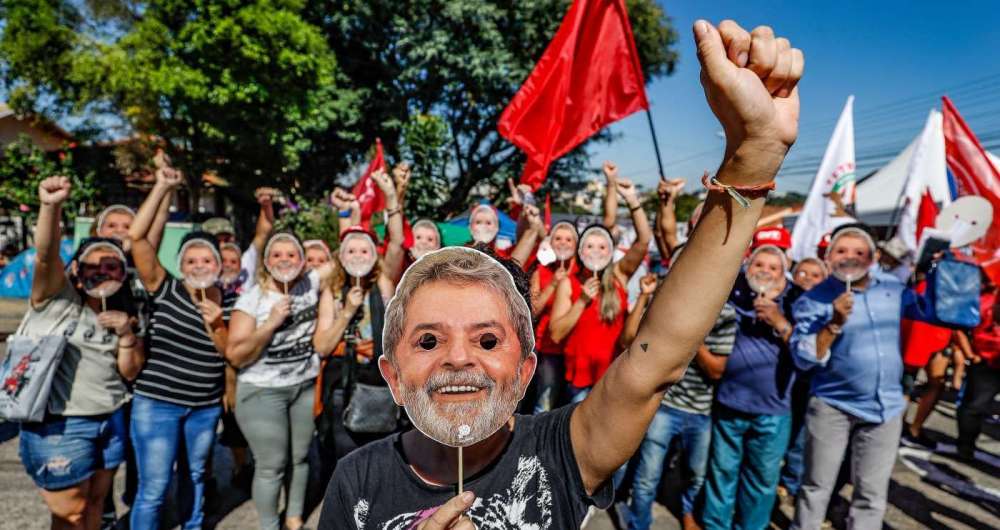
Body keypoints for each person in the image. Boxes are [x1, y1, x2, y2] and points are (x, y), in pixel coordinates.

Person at [318, 18, 804, 529]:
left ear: (527, 369)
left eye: (487, 341)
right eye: (428, 341)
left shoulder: (565, 452)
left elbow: (656, 359)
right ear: (392, 373)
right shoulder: (357, 479)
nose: (458, 358)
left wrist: (753, 158)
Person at [790, 225, 942, 530]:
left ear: (873, 257)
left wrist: (936, 269)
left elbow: (933, 311)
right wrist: (834, 323)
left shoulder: (892, 288)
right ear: (829, 257)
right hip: (833, 406)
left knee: (871, 494)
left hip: (886, 408)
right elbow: (804, 359)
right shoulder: (814, 299)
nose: (850, 257)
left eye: (859, 252)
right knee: (816, 487)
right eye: (842, 251)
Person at [19, 176, 145, 530]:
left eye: (112, 266)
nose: (102, 272)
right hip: (59, 426)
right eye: (93, 265)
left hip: (110, 419)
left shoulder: (122, 310)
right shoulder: (55, 300)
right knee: (70, 515)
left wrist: (125, 334)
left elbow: (130, 372)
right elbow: (45, 255)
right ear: (76, 269)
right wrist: (50, 204)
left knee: (93, 506)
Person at [125, 165, 229, 530]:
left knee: (196, 476)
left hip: (203, 407)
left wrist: (216, 322)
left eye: (206, 260)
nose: (199, 266)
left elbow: (230, 354)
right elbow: (137, 238)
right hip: (157, 404)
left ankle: (192, 525)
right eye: (191, 260)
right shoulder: (164, 287)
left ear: (218, 264)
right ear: (180, 265)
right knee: (153, 487)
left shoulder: (229, 301)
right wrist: (162, 187)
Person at [226, 230, 334, 530]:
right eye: (277, 255)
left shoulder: (309, 283)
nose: (284, 260)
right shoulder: (252, 299)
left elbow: (349, 254)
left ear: (302, 262)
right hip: (262, 391)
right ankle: (270, 525)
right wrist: (271, 323)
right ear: (265, 262)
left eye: (291, 255)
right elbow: (235, 354)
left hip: (301, 387)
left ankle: (294, 518)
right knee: (271, 466)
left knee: (299, 459)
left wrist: (347, 213)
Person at [627, 267, 738, 530]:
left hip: (700, 411)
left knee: (697, 476)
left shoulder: (726, 313)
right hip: (664, 404)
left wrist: (692, 333)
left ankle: (689, 516)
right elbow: (638, 343)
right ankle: (638, 525)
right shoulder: (668, 305)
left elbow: (715, 370)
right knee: (646, 477)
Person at [702, 245, 801, 530]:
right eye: (759, 265)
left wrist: (779, 321)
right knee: (721, 475)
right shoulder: (733, 291)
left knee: (761, 482)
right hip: (730, 403)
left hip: (773, 410)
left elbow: (808, 356)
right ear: (748, 267)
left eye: (773, 267)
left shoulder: (796, 300)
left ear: (784, 275)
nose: (765, 271)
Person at [313, 169, 406, 462]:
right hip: (342, 386)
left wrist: (391, 196)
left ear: (373, 256)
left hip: (377, 385)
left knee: (379, 460)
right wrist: (347, 312)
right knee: (344, 460)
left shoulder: (382, 284)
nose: (357, 256)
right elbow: (322, 346)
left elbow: (397, 243)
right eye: (350, 250)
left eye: (364, 250)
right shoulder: (334, 290)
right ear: (340, 257)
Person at [549, 171, 651, 403]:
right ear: (580, 251)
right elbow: (556, 334)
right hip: (579, 382)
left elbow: (644, 240)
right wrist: (582, 301)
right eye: (590, 246)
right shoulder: (569, 282)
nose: (596, 251)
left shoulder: (619, 275)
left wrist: (633, 200)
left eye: (602, 247)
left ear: (611, 252)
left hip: (615, 376)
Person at [777, 256, 829, 500]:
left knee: (800, 434)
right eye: (802, 273)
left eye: (815, 275)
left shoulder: (828, 306)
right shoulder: (783, 299)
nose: (807, 278)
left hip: (811, 381)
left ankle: (791, 480)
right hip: (783, 378)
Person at [528, 221, 579, 413]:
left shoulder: (585, 272)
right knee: (545, 404)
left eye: (568, 239)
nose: (563, 243)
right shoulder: (542, 271)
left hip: (576, 348)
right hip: (550, 348)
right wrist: (553, 285)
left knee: (572, 405)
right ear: (551, 242)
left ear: (576, 244)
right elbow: (532, 311)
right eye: (558, 238)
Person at [956, 271, 999, 461]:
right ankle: (965, 446)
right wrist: (971, 355)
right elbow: (960, 328)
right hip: (985, 363)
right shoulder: (984, 301)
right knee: (974, 407)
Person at [201, 186, 276, 293]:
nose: (223, 245)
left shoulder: (244, 264)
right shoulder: (198, 273)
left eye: (227, 239)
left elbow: (263, 234)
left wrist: (266, 205)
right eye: (217, 241)